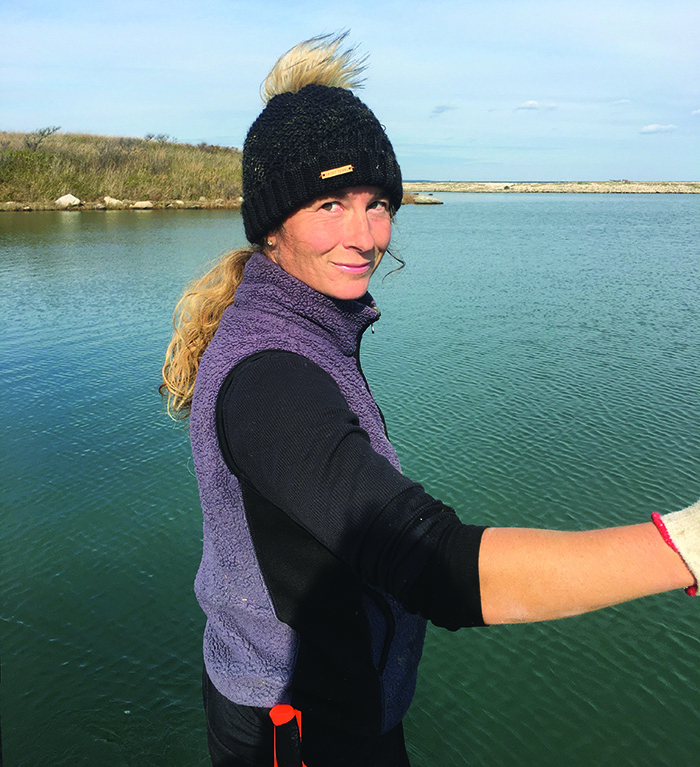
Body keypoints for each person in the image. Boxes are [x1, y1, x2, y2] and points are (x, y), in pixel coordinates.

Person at [161, 34, 699, 767]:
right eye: (329, 203)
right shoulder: (271, 379)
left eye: (377, 203)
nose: (365, 235)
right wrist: (682, 548)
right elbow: (431, 561)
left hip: (327, 702)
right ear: (272, 227)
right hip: (300, 730)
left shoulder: (297, 323)